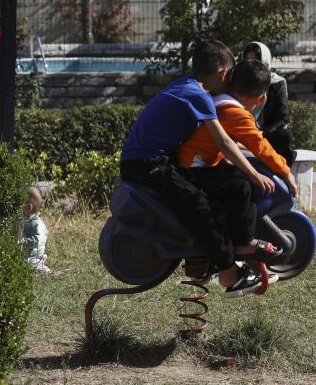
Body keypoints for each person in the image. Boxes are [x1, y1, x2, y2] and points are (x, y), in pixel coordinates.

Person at [119, 40, 277, 296]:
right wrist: (253, 173)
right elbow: (224, 141)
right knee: (196, 202)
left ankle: (211, 255)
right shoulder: (199, 96)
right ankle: (228, 272)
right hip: (146, 164)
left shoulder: (185, 85)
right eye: (229, 78)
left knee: (217, 191)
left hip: (151, 160)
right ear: (223, 74)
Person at [178, 60, 295, 296]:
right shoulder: (234, 112)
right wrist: (286, 171)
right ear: (261, 99)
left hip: (196, 163)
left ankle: (237, 243)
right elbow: (261, 146)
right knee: (241, 187)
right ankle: (243, 244)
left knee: (235, 180)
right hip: (193, 169)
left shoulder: (221, 101)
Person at [242, 41, 295, 167]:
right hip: (244, 131)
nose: (251, 64)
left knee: (285, 136)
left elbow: (282, 118)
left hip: (265, 133)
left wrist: (263, 132)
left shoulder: (277, 83)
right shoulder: (240, 81)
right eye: (248, 60)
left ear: (264, 61)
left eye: (255, 60)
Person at [17, 186, 51, 274]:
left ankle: (47, 272)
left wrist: (22, 242)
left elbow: (38, 240)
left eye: (20, 203)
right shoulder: (24, 221)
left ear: (29, 207)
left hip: (35, 257)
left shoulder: (38, 224)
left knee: (32, 265)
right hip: (25, 256)